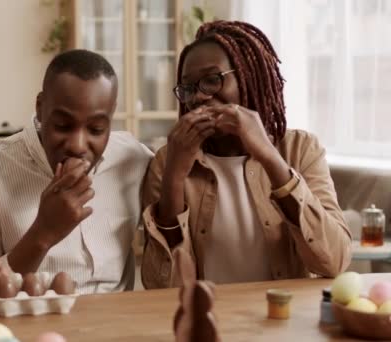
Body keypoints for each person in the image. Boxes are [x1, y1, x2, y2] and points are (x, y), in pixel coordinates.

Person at [140, 21, 352, 289]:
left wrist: (268, 155)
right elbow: (161, 287)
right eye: (189, 88)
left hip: (283, 319)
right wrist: (174, 176)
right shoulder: (167, 160)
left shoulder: (301, 149)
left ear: (249, 77)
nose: (199, 98)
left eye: (212, 80)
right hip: (209, 322)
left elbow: (335, 260)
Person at [0, 49, 153, 293]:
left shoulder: (133, 159)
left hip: (116, 324)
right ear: (40, 108)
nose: (78, 145)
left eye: (96, 129)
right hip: (29, 328)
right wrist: (44, 232)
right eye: (63, 125)